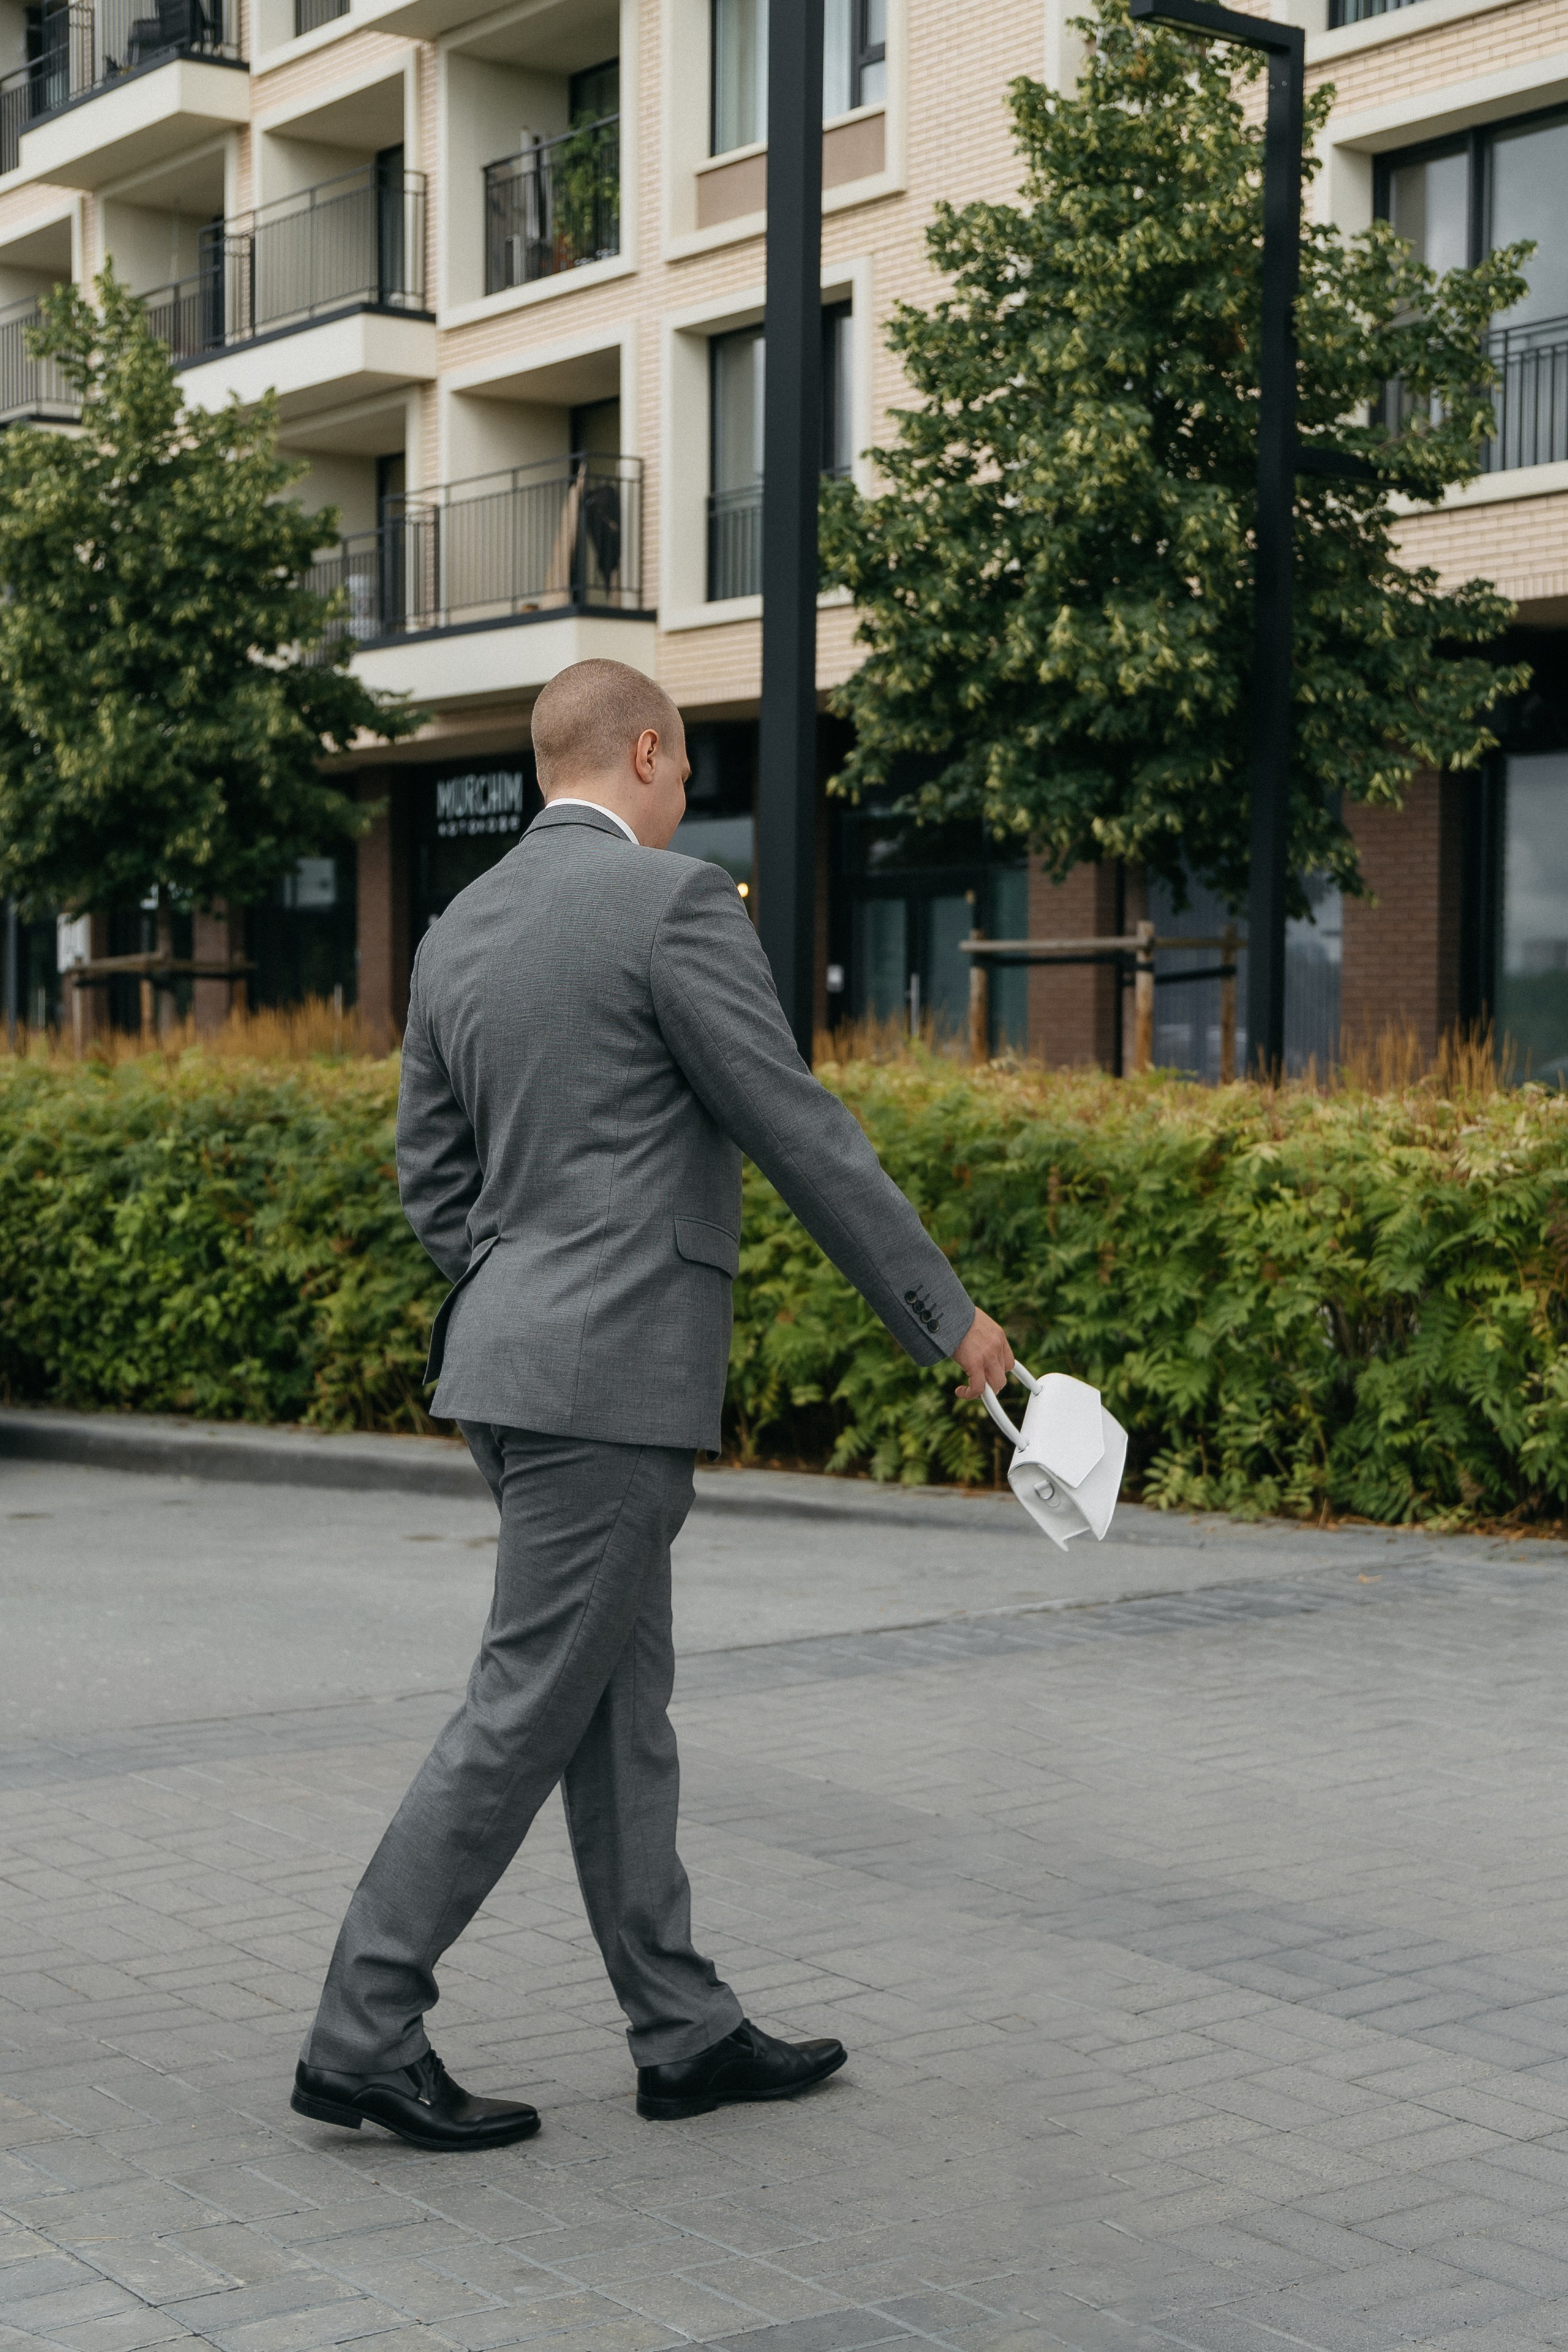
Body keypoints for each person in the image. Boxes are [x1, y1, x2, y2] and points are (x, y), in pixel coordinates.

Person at [291, 658, 1014, 2152]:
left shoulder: (458, 928)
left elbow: (434, 1180)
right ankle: (362, 2029)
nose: (689, 796)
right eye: (684, 769)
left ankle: (680, 2030)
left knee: (616, 1711)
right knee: (521, 1711)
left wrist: (514, 1290)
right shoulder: (674, 906)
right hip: (608, 1380)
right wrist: (945, 1317)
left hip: (510, 1367)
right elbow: (792, 1125)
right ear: (642, 751)